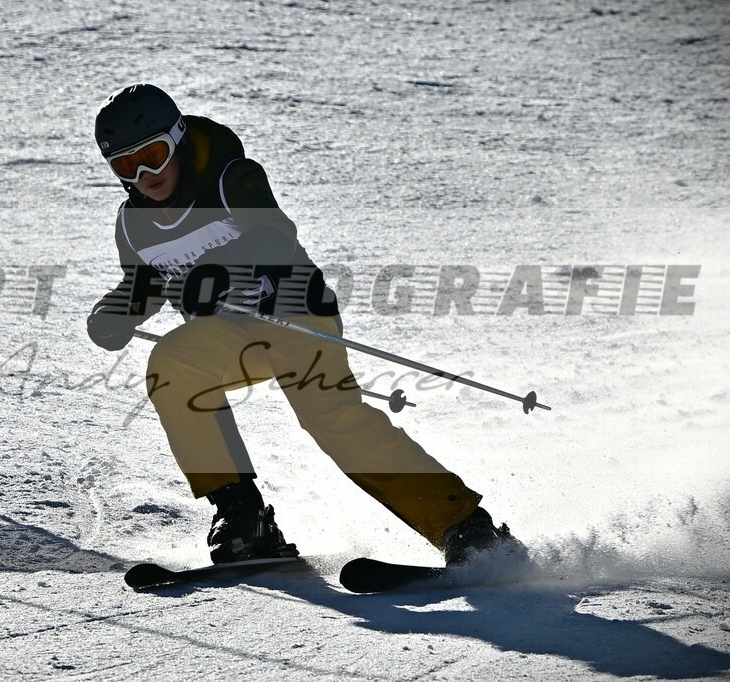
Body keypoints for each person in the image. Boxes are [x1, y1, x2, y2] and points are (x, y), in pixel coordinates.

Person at [87, 83, 519, 566]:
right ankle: (242, 519)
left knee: (330, 418)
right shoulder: (132, 224)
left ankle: (466, 528)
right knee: (171, 363)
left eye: (153, 156)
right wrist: (116, 313)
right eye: (126, 165)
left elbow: (274, 236)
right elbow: (145, 284)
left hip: (294, 312)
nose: (144, 175)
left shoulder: (232, 179)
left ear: (179, 139)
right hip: (227, 334)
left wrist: (215, 273)